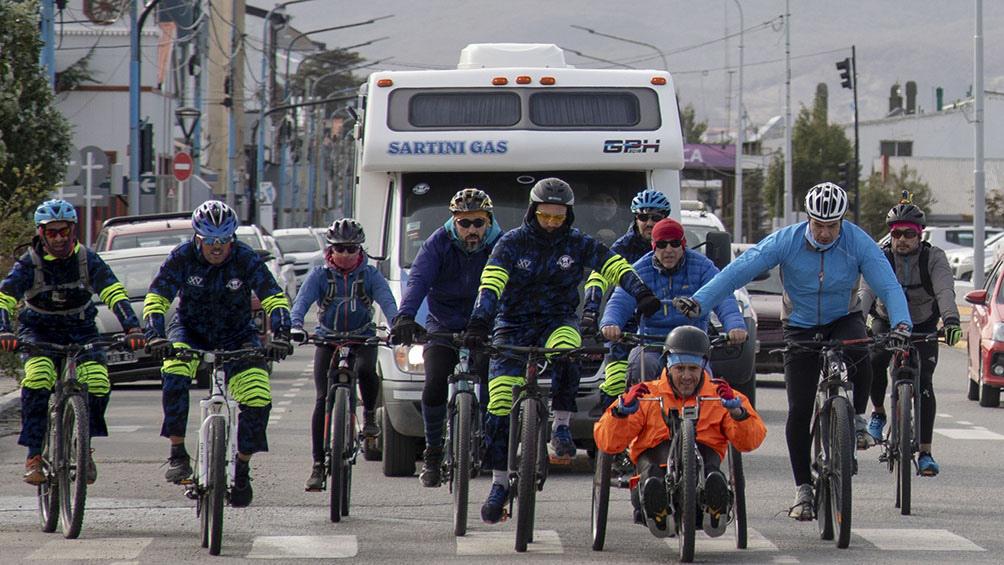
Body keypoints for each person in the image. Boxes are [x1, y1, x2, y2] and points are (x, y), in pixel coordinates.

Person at [672, 182, 912, 521]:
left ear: (842, 221)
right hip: (799, 323)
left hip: (843, 317)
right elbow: (738, 271)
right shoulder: (787, 240)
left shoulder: (858, 242)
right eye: (819, 225)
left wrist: (901, 324)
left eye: (833, 225)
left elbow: (888, 285)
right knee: (799, 408)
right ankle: (803, 489)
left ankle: (856, 417)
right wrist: (700, 302)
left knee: (863, 351)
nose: (826, 233)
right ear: (808, 219)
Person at [464, 177, 661, 524]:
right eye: (546, 216)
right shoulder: (511, 243)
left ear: (567, 215)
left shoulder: (577, 242)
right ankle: (497, 484)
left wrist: (640, 291)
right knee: (496, 403)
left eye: (559, 217)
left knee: (569, 350)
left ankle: (562, 425)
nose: (552, 223)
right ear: (533, 212)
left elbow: (613, 265)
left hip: (558, 321)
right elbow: (491, 281)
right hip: (513, 324)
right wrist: (481, 320)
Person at [144, 200, 292, 508]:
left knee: (258, 395)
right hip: (189, 330)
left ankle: (242, 467)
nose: (217, 247)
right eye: (210, 240)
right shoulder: (182, 257)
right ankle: (177, 453)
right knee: (174, 373)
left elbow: (274, 296)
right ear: (198, 237)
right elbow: (157, 297)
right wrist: (155, 335)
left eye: (224, 240)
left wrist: (280, 333)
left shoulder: (245, 258)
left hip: (238, 334)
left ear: (233, 238)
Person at [0, 199, 145, 485]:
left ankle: (83, 445)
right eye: (51, 232)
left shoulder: (88, 260)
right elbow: (4, 298)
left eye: (63, 231)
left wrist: (132, 327)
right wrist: (4, 330)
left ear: (73, 230)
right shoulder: (28, 263)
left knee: (99, 381)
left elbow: (114, 292)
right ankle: (34, 456)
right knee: (38, 378)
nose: (58, 238)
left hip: (81, 329)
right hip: (38, 331)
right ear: (41, 233)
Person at [594, 326, 765, 537]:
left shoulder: (720, 396)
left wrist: (737, 412)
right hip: (654, 466)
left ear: (703, 367)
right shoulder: (647, 394)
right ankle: (659, 512)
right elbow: (608, 442)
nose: (686, 376)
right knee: (652, 480)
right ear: (668, 366)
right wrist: (621, 412)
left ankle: (715, 508)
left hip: (702, 469)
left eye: (693, 369)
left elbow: (750, 441)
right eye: (680, 369)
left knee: (713, 475)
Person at [389, 188, 501, 488]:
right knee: (435, 381)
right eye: (464, 223)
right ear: (454, 222)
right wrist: (405, 316)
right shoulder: (437, 243)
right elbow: (418, 281)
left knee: (495, 382)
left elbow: (515, 285)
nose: (472, 230)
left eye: (478, 223)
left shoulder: (502, 245)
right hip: (443, 323)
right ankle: (434, 452)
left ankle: (490, 442)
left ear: (488, 221)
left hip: (488, 322)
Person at [594, 217, 747, 412]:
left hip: (693, 344)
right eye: (662, 244)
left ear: (683, 245)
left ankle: (703, 434)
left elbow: (723, 296)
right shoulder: (639, 269)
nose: (668, 250)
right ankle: (642, 426)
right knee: (640, 368)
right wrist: (610, 323)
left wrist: (735, 326)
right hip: (651, 343)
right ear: (653, 246)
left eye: (675, 244)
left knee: (707, 385)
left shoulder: (702, 266)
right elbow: (619, 301)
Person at [290, 218, 398, 491]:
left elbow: (387, 301)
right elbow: (301, 303)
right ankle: (317, 465)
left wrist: (398, 325)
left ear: (360, 249)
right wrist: (295, 326)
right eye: (340, 249)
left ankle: (370, 416)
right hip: (327, 338)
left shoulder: (371, 275)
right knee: (321, 398)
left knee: (365, 371)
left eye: (352, 249)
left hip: (363, 336)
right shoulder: (319, 275)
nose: (346, 254)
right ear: (331, 249)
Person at [859, 202, 961, 477]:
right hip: (886, 319)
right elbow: (866, 291)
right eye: (896, 234)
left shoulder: (934, 258)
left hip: (923, 323)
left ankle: (925, 452)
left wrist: (951, 321)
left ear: (920, 235)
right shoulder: (881, 257)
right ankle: (879, 412)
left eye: (908, 233)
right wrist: (858, 320)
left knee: (925, 382)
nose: (901, 239)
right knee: (875, 360)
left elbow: (945, 291)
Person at [585, 189, 673, 412]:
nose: (649, 223)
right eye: (643, 217)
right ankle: (609, 443)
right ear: (635, 218)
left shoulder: (673, 246)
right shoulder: (622, 247)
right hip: (624, 327)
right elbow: (597, 277)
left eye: (656, 217)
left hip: (660, 327)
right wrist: (590, 310)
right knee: (614, 386)